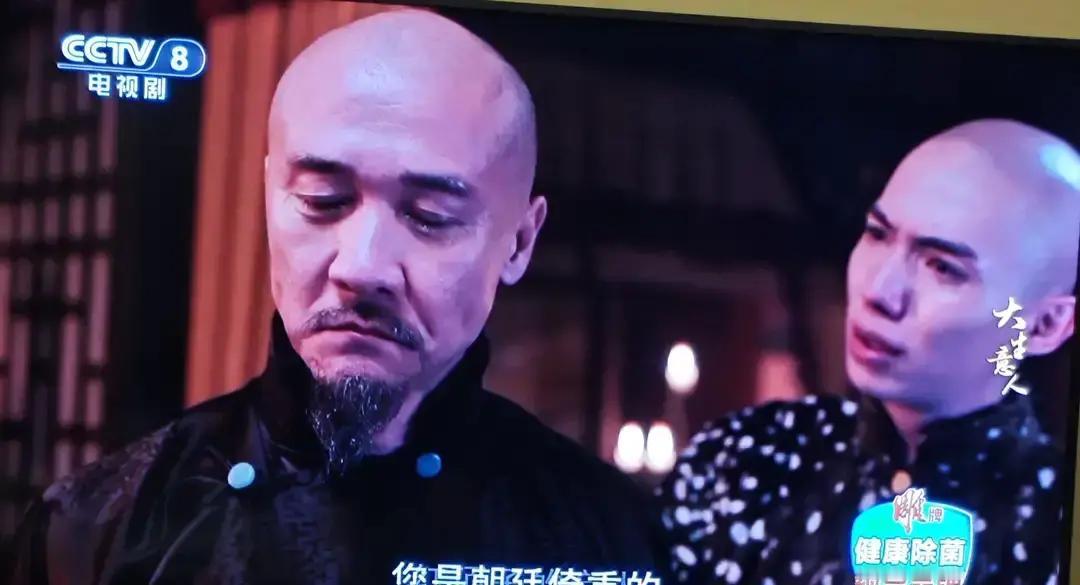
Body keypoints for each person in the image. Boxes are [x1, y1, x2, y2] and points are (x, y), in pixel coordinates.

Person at [9, 10, 666, 584]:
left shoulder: (617, 538)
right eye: (323, 201)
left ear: (519, 242)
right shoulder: (99, 528)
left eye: (431, 216)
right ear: (271, 199)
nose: (363, 266)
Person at [657, 119, 1079, 585]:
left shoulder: (1053, 526)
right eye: (878, 234)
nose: (880, 291)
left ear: (1046, 325)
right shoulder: (745, 459)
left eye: (942, 267)